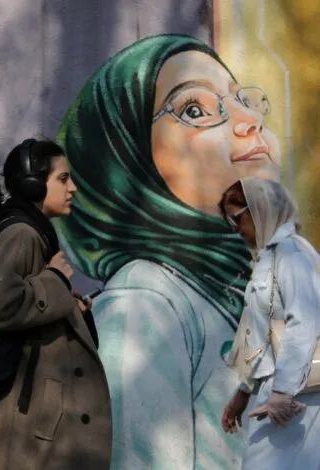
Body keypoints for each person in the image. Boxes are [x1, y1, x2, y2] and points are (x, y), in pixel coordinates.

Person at [54, 34, 282, 469]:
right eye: (195, 109)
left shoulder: (244, 286)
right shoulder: (144, 304)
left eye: (242, 99)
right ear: (126, 161)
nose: (248, 120)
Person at [0, 138, 112, 470]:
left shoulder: (29, 232)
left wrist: (69, 310)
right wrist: (55, 280)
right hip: (18, 433)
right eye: (63, 179)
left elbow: (26, 308)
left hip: (24, 427)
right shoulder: (22, 234)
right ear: (33, 183)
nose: (73, 189)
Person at [220, 177, 320, 470]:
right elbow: (261, 334)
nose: (235, 229)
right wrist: (244, 391)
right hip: (279, 395)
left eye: (237, 218)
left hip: (299, 397)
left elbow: (304, 321)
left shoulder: (292, 253)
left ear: (260, 208)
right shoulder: (270, 256)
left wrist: (282, 392)